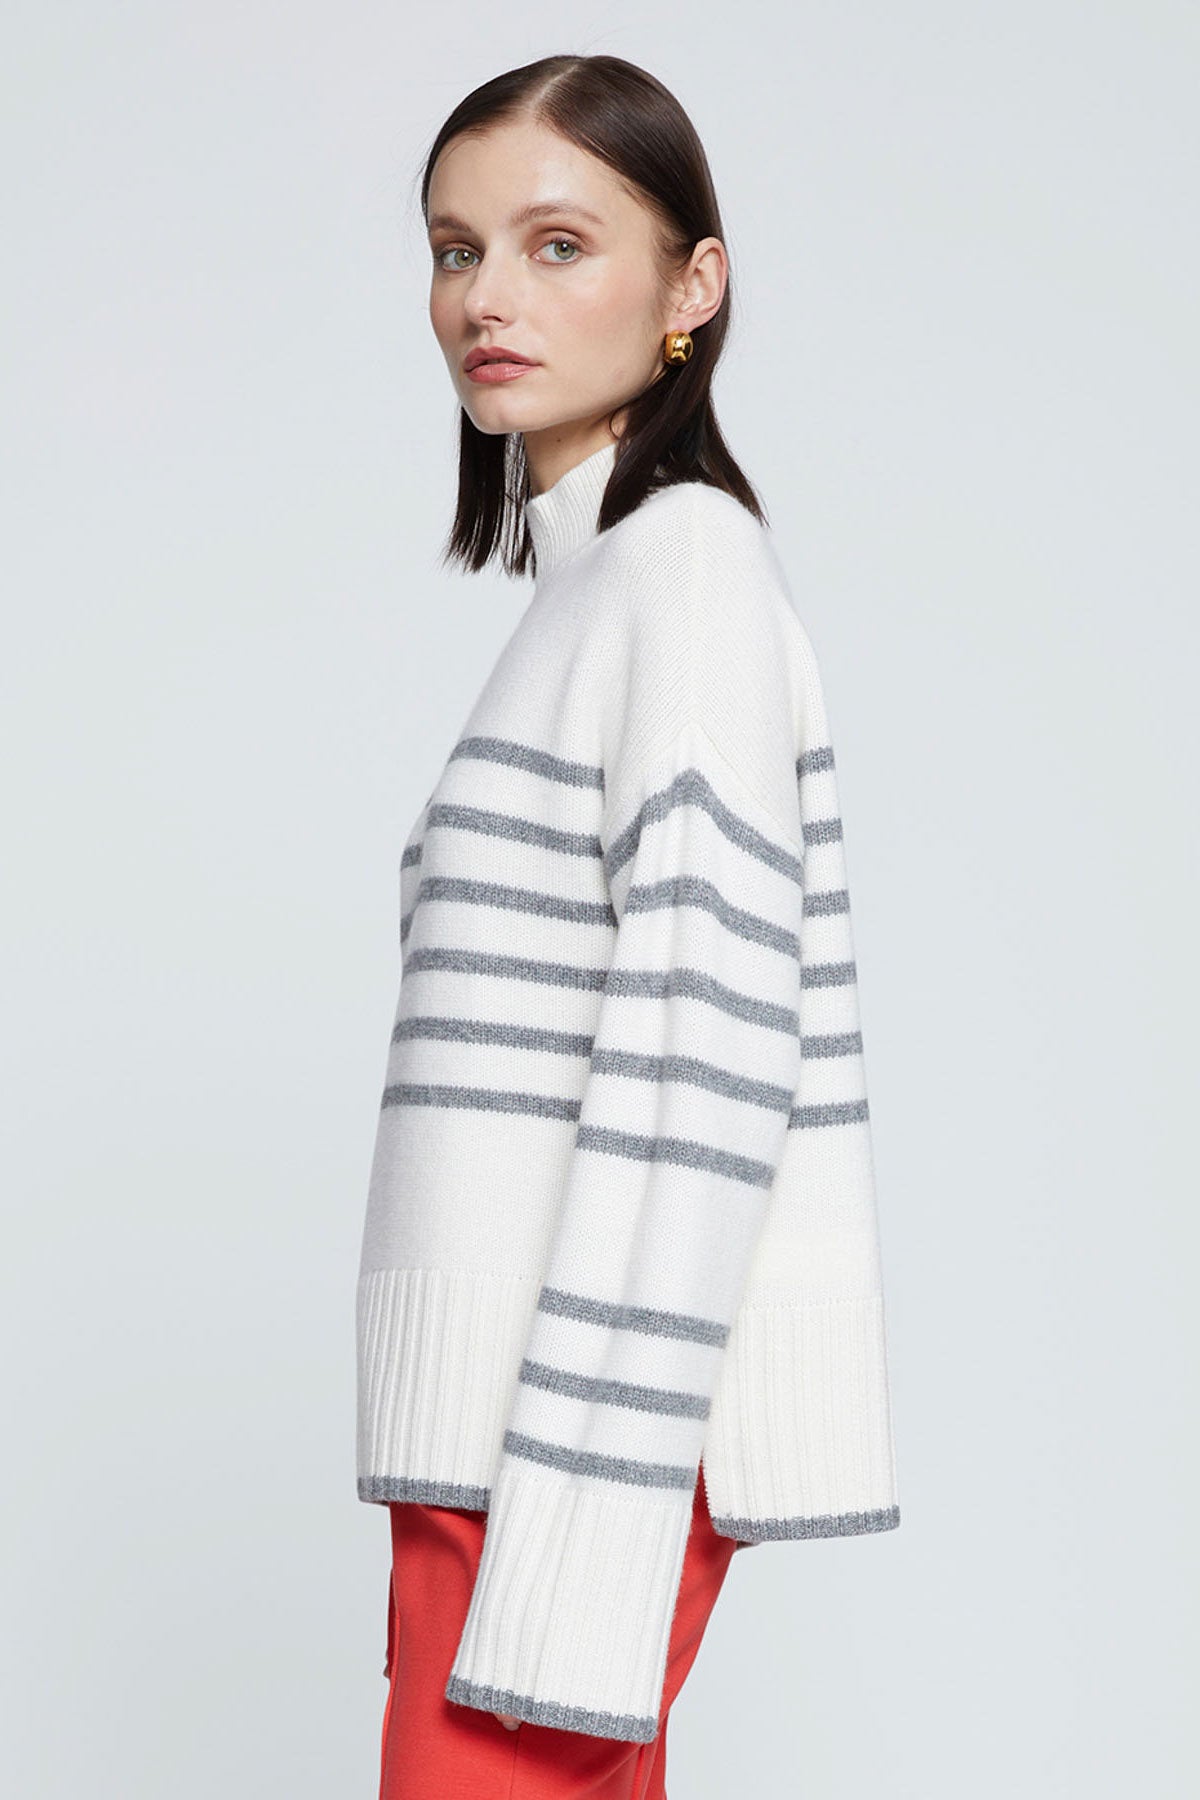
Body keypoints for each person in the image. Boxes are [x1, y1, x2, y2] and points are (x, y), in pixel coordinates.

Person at [356, 52, 901, 1799]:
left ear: (692, 287)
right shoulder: (592, 593)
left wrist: (587, 1509)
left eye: (557, 244)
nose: (486, 298)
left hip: (568, 1444)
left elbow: (704, 1067)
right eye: (456, 250)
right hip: (497, 1450)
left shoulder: (688, 576)